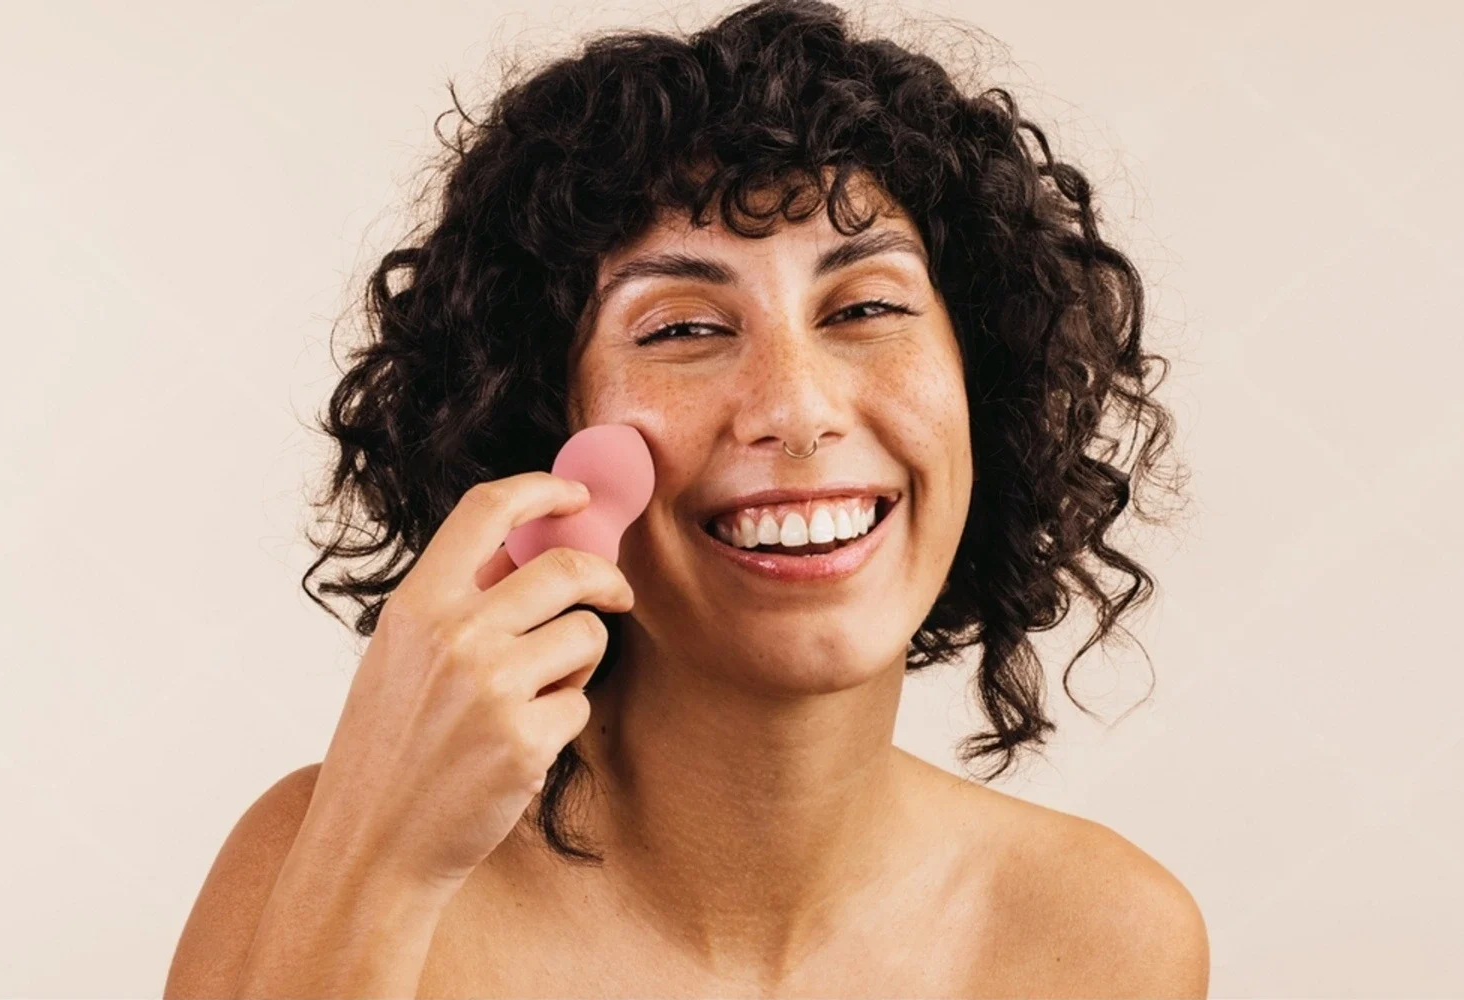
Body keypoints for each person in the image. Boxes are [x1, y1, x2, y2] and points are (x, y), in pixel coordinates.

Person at [166, 0, 1204, 995]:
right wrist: (379, 865)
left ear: (983, 385)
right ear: (538, 423)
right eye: (683, 328)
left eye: (866, 308)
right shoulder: (320, 863)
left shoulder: (1103, 941)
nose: (797, 410)